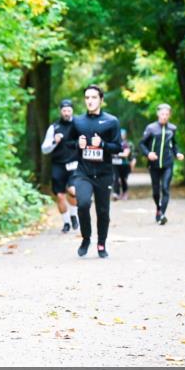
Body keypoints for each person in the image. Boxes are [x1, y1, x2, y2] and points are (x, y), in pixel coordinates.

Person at [63, 84, 122, 258]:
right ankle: (86, 238)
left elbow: (118, 147)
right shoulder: (77, 121)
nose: (90, 101)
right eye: (87, 98)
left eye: (94, 97)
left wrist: (102, 144)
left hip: (104, 173)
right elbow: (68, 143)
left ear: (101, 100)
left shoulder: (112, 121)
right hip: (83, 172)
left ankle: (101, 243)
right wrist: (77, 144)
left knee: (103, 211)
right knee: (83, 204)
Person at [138, 104, 183, 225]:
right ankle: (159, 209)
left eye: (167, 114)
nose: (164, 116)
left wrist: (177, 153)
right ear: (158, 114)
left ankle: (161, 214)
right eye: (162, 114)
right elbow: (142, 144)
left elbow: (174, 144)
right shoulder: (151, 128)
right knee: (156, 192)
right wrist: (148, 154)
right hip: (154, 164)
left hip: (168, 163)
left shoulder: (172, 128)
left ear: (169, 115)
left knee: (165, 188)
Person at [40, 99, 80, 232]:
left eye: (69, 110)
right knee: (60, 196)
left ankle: (74, 215)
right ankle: (66, 222)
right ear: (60, 111)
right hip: (58, 165)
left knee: (73, 191)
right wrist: (54, 141)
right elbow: (44, 149)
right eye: (64, 110)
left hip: (74, 163)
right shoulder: (54, 127)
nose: (66, 113)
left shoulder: (78, 125)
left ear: (72, 111)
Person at [111, 128, 134, 200]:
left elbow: (126, 154)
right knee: (115, 178)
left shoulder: (126, 143)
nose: (121, 136)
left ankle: (125, 193)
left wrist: (116, 154)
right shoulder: (113, 142)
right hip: (115, 164)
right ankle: (116, 193)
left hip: (124, 164)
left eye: (123, 135)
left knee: (123, 179)